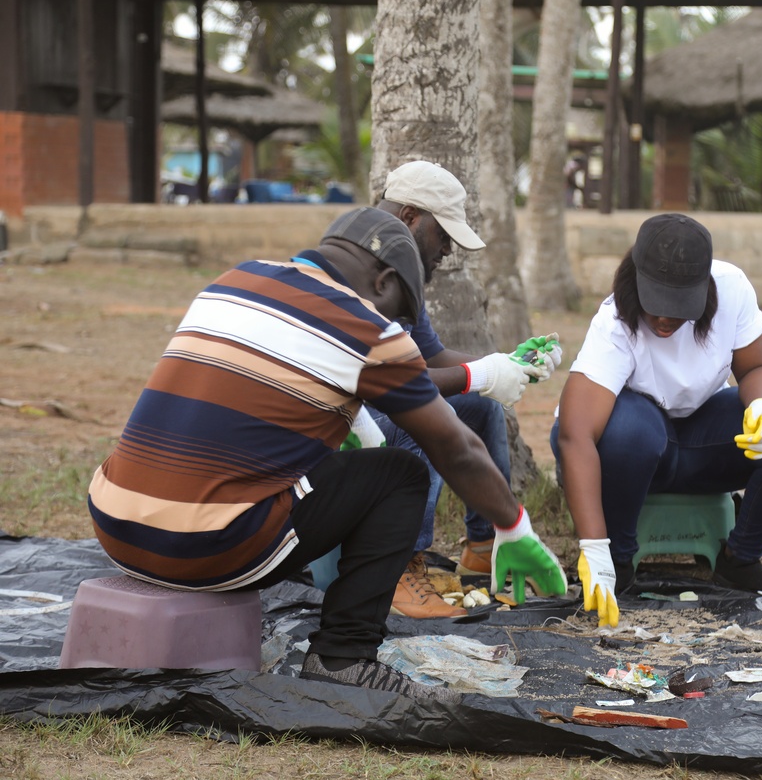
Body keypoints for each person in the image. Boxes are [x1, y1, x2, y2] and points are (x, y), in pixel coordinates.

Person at [87, 206, 567, 697]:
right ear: (382, 282)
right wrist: (514, 527)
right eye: (400, 313)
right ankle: (344, 658)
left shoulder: (234, 280)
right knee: (400, 473)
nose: (397, 328)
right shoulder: (367, 328)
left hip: (115, 526)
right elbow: (456, 447)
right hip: (210, 548)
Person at [552, 213, 762, 628]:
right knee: (633, 432)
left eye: (678, 307)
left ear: (704, 291)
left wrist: (761, 408)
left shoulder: (732, 287)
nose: (665, 319)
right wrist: (594, 547)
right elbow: (576, 436)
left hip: (698, 440)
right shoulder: (613, 324)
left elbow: (758, 368)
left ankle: (739, 559)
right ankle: (619, 561)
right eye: (655, 305)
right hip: (631, 449)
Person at [352, 160, 563, 619]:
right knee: (421, 418)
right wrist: (481, 374)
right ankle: (400, 567)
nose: (447, 250)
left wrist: (506, 364)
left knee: (478, 406)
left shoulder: (400, 276)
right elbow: (392, 386)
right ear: (409, 218)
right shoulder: (356, 277)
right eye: (443, 235)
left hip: (376, 423)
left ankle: (487, 545)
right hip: (343, 438)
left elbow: (430, 360)